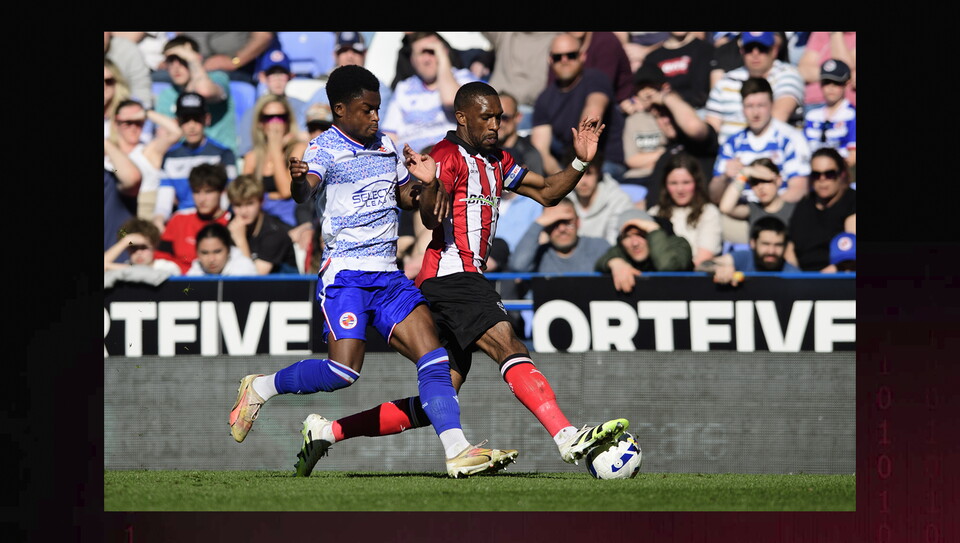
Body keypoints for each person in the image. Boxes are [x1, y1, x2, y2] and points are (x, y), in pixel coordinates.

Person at [297, 81, 629, 471]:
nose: (495, 125)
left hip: (454, 282)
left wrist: (579, 162)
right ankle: (566, 436)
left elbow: (548, 193)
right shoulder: (445, 155)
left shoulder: (497, 161)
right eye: (486, 117)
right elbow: (429, 216)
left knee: (438, 399)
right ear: (462, 117)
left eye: (499, 117)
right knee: (508, 345)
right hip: (452, 276)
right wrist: (431, 183)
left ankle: (327, 432)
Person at [230, 65, 518, 479]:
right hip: (345, 274)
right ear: (340, 109)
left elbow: (405, 197)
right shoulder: (322, 149)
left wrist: (422, 184)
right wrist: (296, 182)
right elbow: (305, 189)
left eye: (378, 109)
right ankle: (261, 387)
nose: (375, 118)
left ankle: (458, 451)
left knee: (434, 357)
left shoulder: (386, 145)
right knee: (342, 372)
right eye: (367, 110)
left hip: (388, 275)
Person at [532, 33, 626, 179]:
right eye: (558, 57)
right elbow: (540, 149)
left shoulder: (596, 78)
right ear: (550, 60)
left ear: (582, 56)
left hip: (606, 164)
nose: (564, 61)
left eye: (571, 55)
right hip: (570, 167)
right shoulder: (544, 98)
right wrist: (564, 182)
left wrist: (585, 135)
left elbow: (595, 106)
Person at [709, 77, 811, 206]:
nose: (755, 113)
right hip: (741, 212)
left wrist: (765, 213)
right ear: (742, 108)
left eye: (761, 105)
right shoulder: (732, 143)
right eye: (749, 106)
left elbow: (799, 190)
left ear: (772, 105)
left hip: (781, 213)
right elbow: (714, 196)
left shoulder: (791, 138)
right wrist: (724, 177)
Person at [633, 63, 719, 210]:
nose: (665, 120)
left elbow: (694, 127)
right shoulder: (666, 156)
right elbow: (652, 205)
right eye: (659, 116)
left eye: (669, 114)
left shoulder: (700, 143)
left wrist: (666, 97)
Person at [382, 32, 477, 154]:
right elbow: (390, 136)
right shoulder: (403, 89)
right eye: (422, 53)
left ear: (444, 53)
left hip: (452, 160)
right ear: (412, 59)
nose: (427, 59)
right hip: (411, 164)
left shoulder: (464, 78)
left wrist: (442, 58)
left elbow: (450, 100)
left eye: (432, 52)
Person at [153, 92, 238, 229]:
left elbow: (228, 199)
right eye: (185, 119)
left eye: (197, 119)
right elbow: (164, 203)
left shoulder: (223, 154)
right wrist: (158, 221)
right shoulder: (170, 157)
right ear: (177, 122)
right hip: (182, 223)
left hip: (215, 222)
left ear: (207, 119)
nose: (191, 126)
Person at [705, 32, 804, 146]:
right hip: (730, 156)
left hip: (774, 151)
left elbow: (778, 118)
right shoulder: (726, 81)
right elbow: (712, 128)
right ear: (742, 51)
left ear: (774, 50)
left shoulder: (788, 74)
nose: (755, 53)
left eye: (762, 48)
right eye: (749, 48)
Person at [155, 35, 238, 155]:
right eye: (171, 61)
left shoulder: (217, 78)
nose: (176, 67)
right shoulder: (167, 95)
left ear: (196, 58)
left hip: (220, 160)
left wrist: (193, 60)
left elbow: (204, 92)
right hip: (182, 161)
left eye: (183, 60)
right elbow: (165, 136)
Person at [109, 99, 183, 221]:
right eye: (127, 122)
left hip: (144, 220)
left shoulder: (148, 151)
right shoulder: (109, 154)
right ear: (116, 123)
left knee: (132, 239)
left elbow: (177, 132)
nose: (134, 127)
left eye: (138, 122)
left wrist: (147, 113)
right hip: (116, 219)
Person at [241, 94, 309, 228]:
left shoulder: (298, 149)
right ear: (260, 123)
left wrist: (275, 149)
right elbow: (244, 196)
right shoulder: (252, 156)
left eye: (281, 117)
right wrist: (273, 196)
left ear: (288, 121)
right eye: (269, 118)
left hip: (288, 222)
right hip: (259, 222)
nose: (275, 123)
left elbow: (285, 191)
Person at [785, 148, 856, 272]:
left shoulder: (851, 201)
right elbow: (791, 249)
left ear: (841, 174)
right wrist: (796, 278)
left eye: (829, 174)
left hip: (836, 279)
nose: (822, 179)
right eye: (816, 175)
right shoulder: (804, 204)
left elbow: (851, 253)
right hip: (802, 279)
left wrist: (819, 280)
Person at [153, 163, 232, 274]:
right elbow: (161, 257)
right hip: (181, 284)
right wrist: (187, 273)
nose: (202, 199)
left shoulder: (232, 222)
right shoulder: (179, 219)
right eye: (196, 192)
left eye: (208, 192)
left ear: (222, 192)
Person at [595, 208, 694, 294]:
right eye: (627, 237)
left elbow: (667, 267)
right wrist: (615, 263)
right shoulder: (622, 250)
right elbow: (600, 262)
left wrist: (653, 229)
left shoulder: (677, 244)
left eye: (640, 234)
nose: (634, 243)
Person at [649, 152, 722, 268]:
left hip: (694, 277)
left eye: (686, 182)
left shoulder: (709, 212)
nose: (680, 189)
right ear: (665, 185)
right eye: (673, 183)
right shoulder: (654, 213)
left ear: (696, 183)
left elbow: (704, 258)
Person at [237, 49, 309, 156]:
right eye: (272, 74)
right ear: (262, 77)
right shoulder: (253, 112)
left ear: (290, 76)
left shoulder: (303, 107)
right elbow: (246, 150)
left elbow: (311, 139)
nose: (277, 79)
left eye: (282, 74)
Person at [510, 199, 611, 274]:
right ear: (546, 226)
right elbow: (518, 266)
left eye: (567, 222)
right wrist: (538, 223)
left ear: (578, 222)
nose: (562, 229)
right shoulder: (539, 253)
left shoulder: (598, 247)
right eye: (555, 223)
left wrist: (616, 262)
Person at [695, 215, 799, 286]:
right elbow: (702, 266)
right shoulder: (744, 258)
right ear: (753, 243)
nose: (771, 251)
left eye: (778, 245)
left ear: (785, 246)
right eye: (765, 244)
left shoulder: (793, 275)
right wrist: (719, 269)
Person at [226, 175, 299, 275]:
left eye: (249, 204)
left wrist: (240, 240)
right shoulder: (229, 227)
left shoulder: (275, 233)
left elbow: (253, 279)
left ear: (261, 201)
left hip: (282, 287)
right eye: (238, 205)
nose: (243, 211)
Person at [634, 32, 715, 111]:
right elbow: (645, 91)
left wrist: (668, 99)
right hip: (662, 114)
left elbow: (701, 94)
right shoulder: (652, 57)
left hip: (697, 111)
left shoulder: (705, 50)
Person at [565, 153, 634, 245]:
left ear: (598, 173)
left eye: (589, 174)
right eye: (577, 175)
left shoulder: (619, 200)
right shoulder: (561, 200)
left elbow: (613, 243)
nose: (583, 181)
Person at [719, 157, 796, 234]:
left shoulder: (796, 210)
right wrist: (744, 173)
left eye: (765, 180)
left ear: (778, 180)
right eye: (755, 182)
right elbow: (726, 208)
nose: (760, 187)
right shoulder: (753, 209)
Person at [803, 59, 856, 168]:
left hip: (841, 173)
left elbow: (853, 156)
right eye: (826, 82)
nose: (831, 88)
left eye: (837, 83)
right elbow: (803, 150)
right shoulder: (812, 116)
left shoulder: (851, 115)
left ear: (847, 84)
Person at [181, 31, 275, 84]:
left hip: (235, 69)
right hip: (188, 65)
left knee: (205, 86)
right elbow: (179, 36)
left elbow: (264, 36)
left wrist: (234, 62)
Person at [797, 32, 856, 109]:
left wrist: (836, 34)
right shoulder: (819, 33)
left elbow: (844, 67)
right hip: (813, 102)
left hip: (846, 104)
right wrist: (835, 74)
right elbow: (803, 71)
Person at [104, 218, 181, 275]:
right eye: (133, 247)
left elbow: (145, 273)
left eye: (144, 247)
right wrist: (125, 241)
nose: (139, 252)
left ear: (154, 246)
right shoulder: (126, 265)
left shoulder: (168, 267)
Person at [185, 222, 258, 276]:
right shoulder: (195, 271)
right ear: (197, 252)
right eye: (205, 253)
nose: (211, 259)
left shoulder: (244, 270)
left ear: (228, 250)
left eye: (217, 252)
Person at [104, 32, 153, 109]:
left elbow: (142, 91)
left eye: (109, 81)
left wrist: (133, 111)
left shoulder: (127, 49)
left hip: (120, 111)